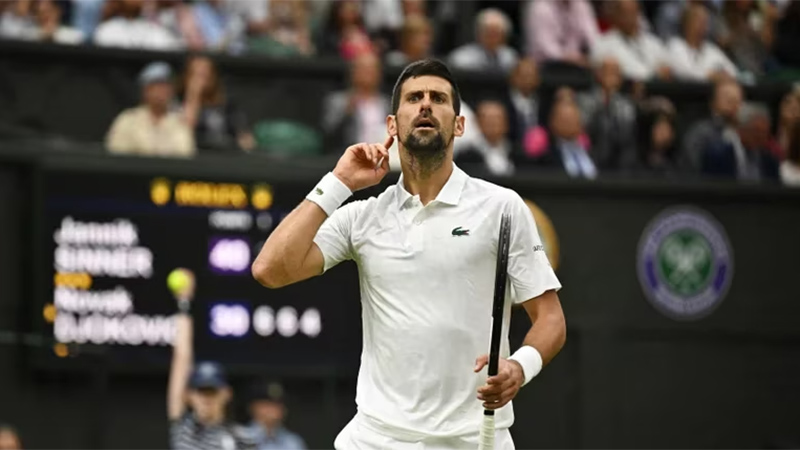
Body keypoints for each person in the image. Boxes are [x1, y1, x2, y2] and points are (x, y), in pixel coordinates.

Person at [252, 59, 566, 449]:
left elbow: (551, 319)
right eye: (414, 97)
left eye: (438, 98)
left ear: (459, 124)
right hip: (375, 438)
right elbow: (270, 269)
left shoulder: (503, 207)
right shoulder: (362, 216)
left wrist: (520, 367)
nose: (425, 106)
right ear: (392, 125)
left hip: (472, 439)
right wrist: (338, 182)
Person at [167, 269, 256, 450]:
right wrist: (184, 302)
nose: (206, 398)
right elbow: (181, 359)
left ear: (226, 394)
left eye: (212, 391)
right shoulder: (183, 429)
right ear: (190, 396)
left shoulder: (241, 439)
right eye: (201, 391)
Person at [247, 382, 307, 449]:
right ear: (253, 407)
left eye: (277, 405)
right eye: (267, 404)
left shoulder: (293, 441)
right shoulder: (241, 437)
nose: (272, 410)